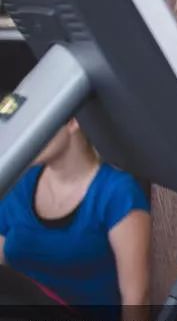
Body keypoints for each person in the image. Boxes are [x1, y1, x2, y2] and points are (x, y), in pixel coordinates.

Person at [0, 117, 150, 318]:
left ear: (72, 122)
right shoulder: (21, 183)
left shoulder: (118, 193)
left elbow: (136, 299)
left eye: (36, 121)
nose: (26, 134)